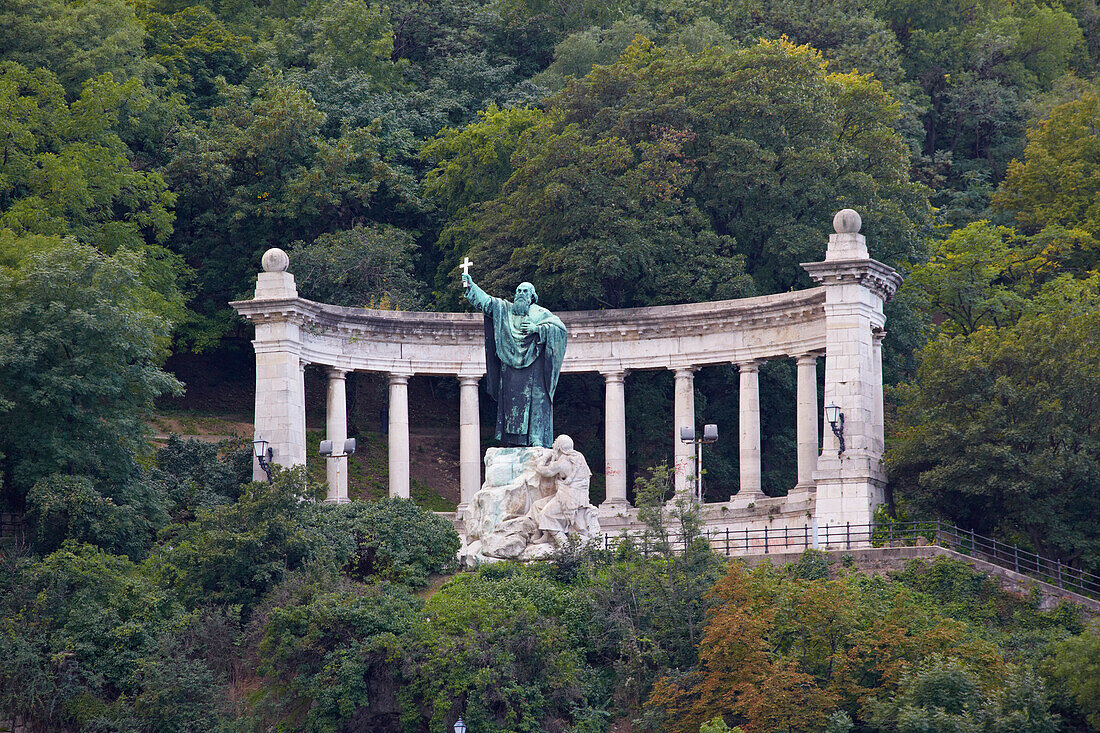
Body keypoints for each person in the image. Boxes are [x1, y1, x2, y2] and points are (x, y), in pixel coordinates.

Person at [463, 274, 567, 448]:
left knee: (537, 403)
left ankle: (536, 439)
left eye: (525, 291)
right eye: (518, 290)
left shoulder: (541, 313)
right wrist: (471, 287)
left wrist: (538, 329)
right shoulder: (505, 310)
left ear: (532, 296)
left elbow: (560, 331)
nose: (520, 293)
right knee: (512, 406)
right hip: (510, 371)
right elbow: (487, 303)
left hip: (535, 370)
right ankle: (514, 441)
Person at [527, 434, 597, 544]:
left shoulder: (563, 462)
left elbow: (543, 471)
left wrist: (546, 457)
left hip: (569, 499)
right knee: (537, 506)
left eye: (555, 442)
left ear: (559, 447)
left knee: (546, 514)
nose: (553, 444)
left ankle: (563, 544)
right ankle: (546, 534)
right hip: (571, 495)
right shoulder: (579, 457)